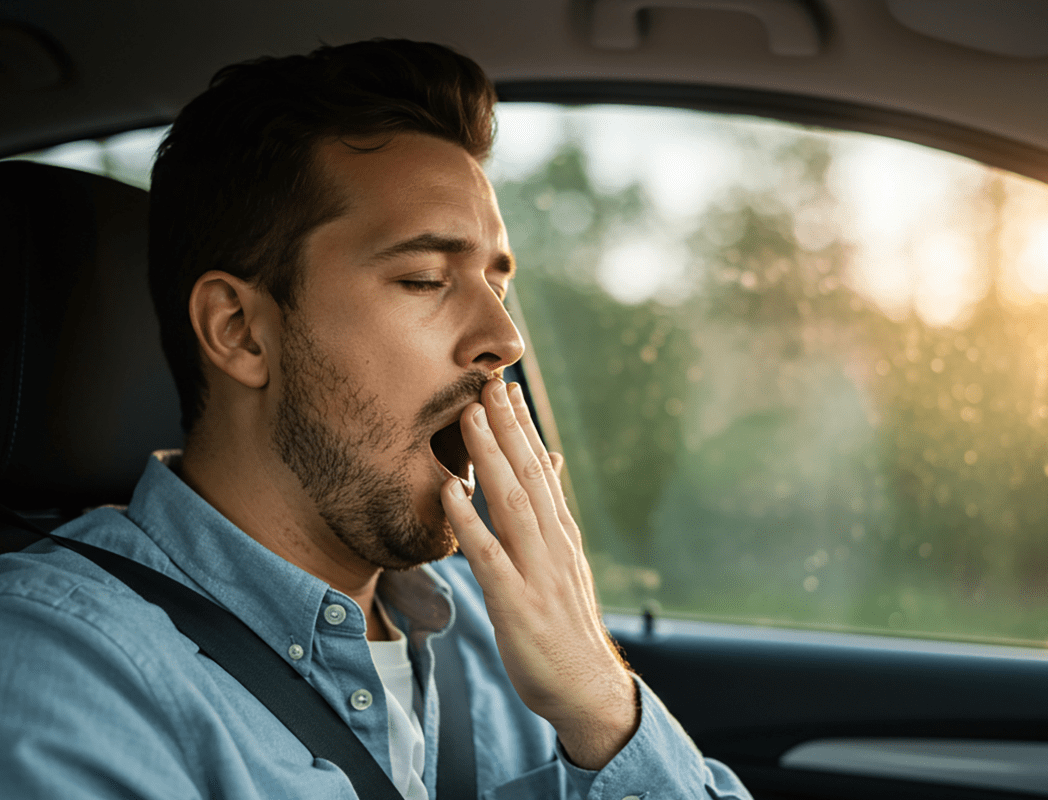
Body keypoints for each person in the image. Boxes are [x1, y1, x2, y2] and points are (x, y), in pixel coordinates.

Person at [0, 39, 753, 799]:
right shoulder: (60, 664)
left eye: (497, 284)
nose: (505, 340)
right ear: (239, 330)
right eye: (425, 279)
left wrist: (601, 705)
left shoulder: (507, 650)